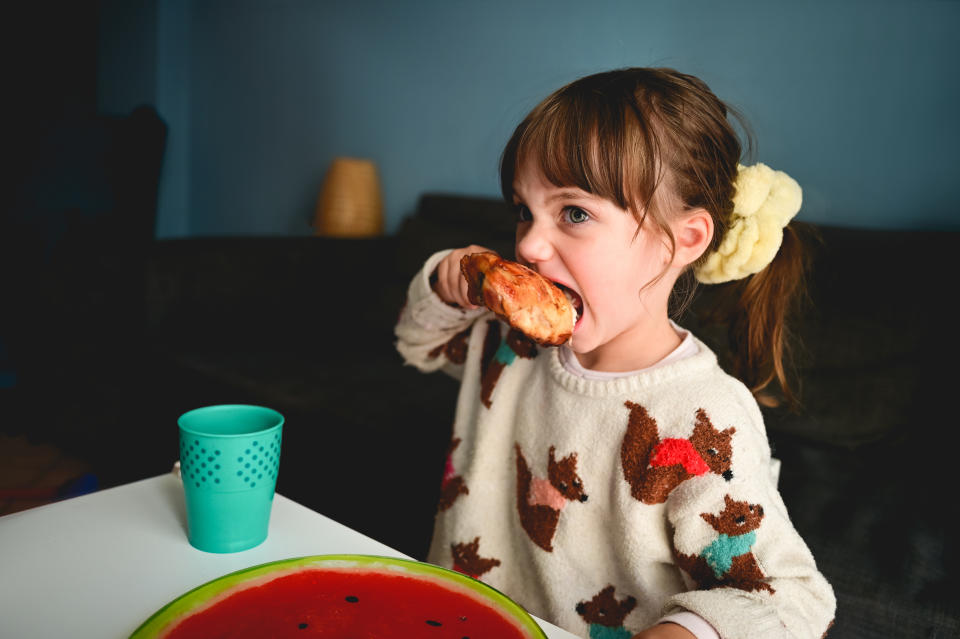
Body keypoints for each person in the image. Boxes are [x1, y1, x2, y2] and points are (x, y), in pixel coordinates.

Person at [394, 68, 835, 639]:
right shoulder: (511, 341)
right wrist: (443, 281)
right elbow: (418, 343)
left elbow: (793, 601)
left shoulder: (703, 411)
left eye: (574, 213)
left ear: (686, 240)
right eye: (524, 209)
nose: (527, 244)